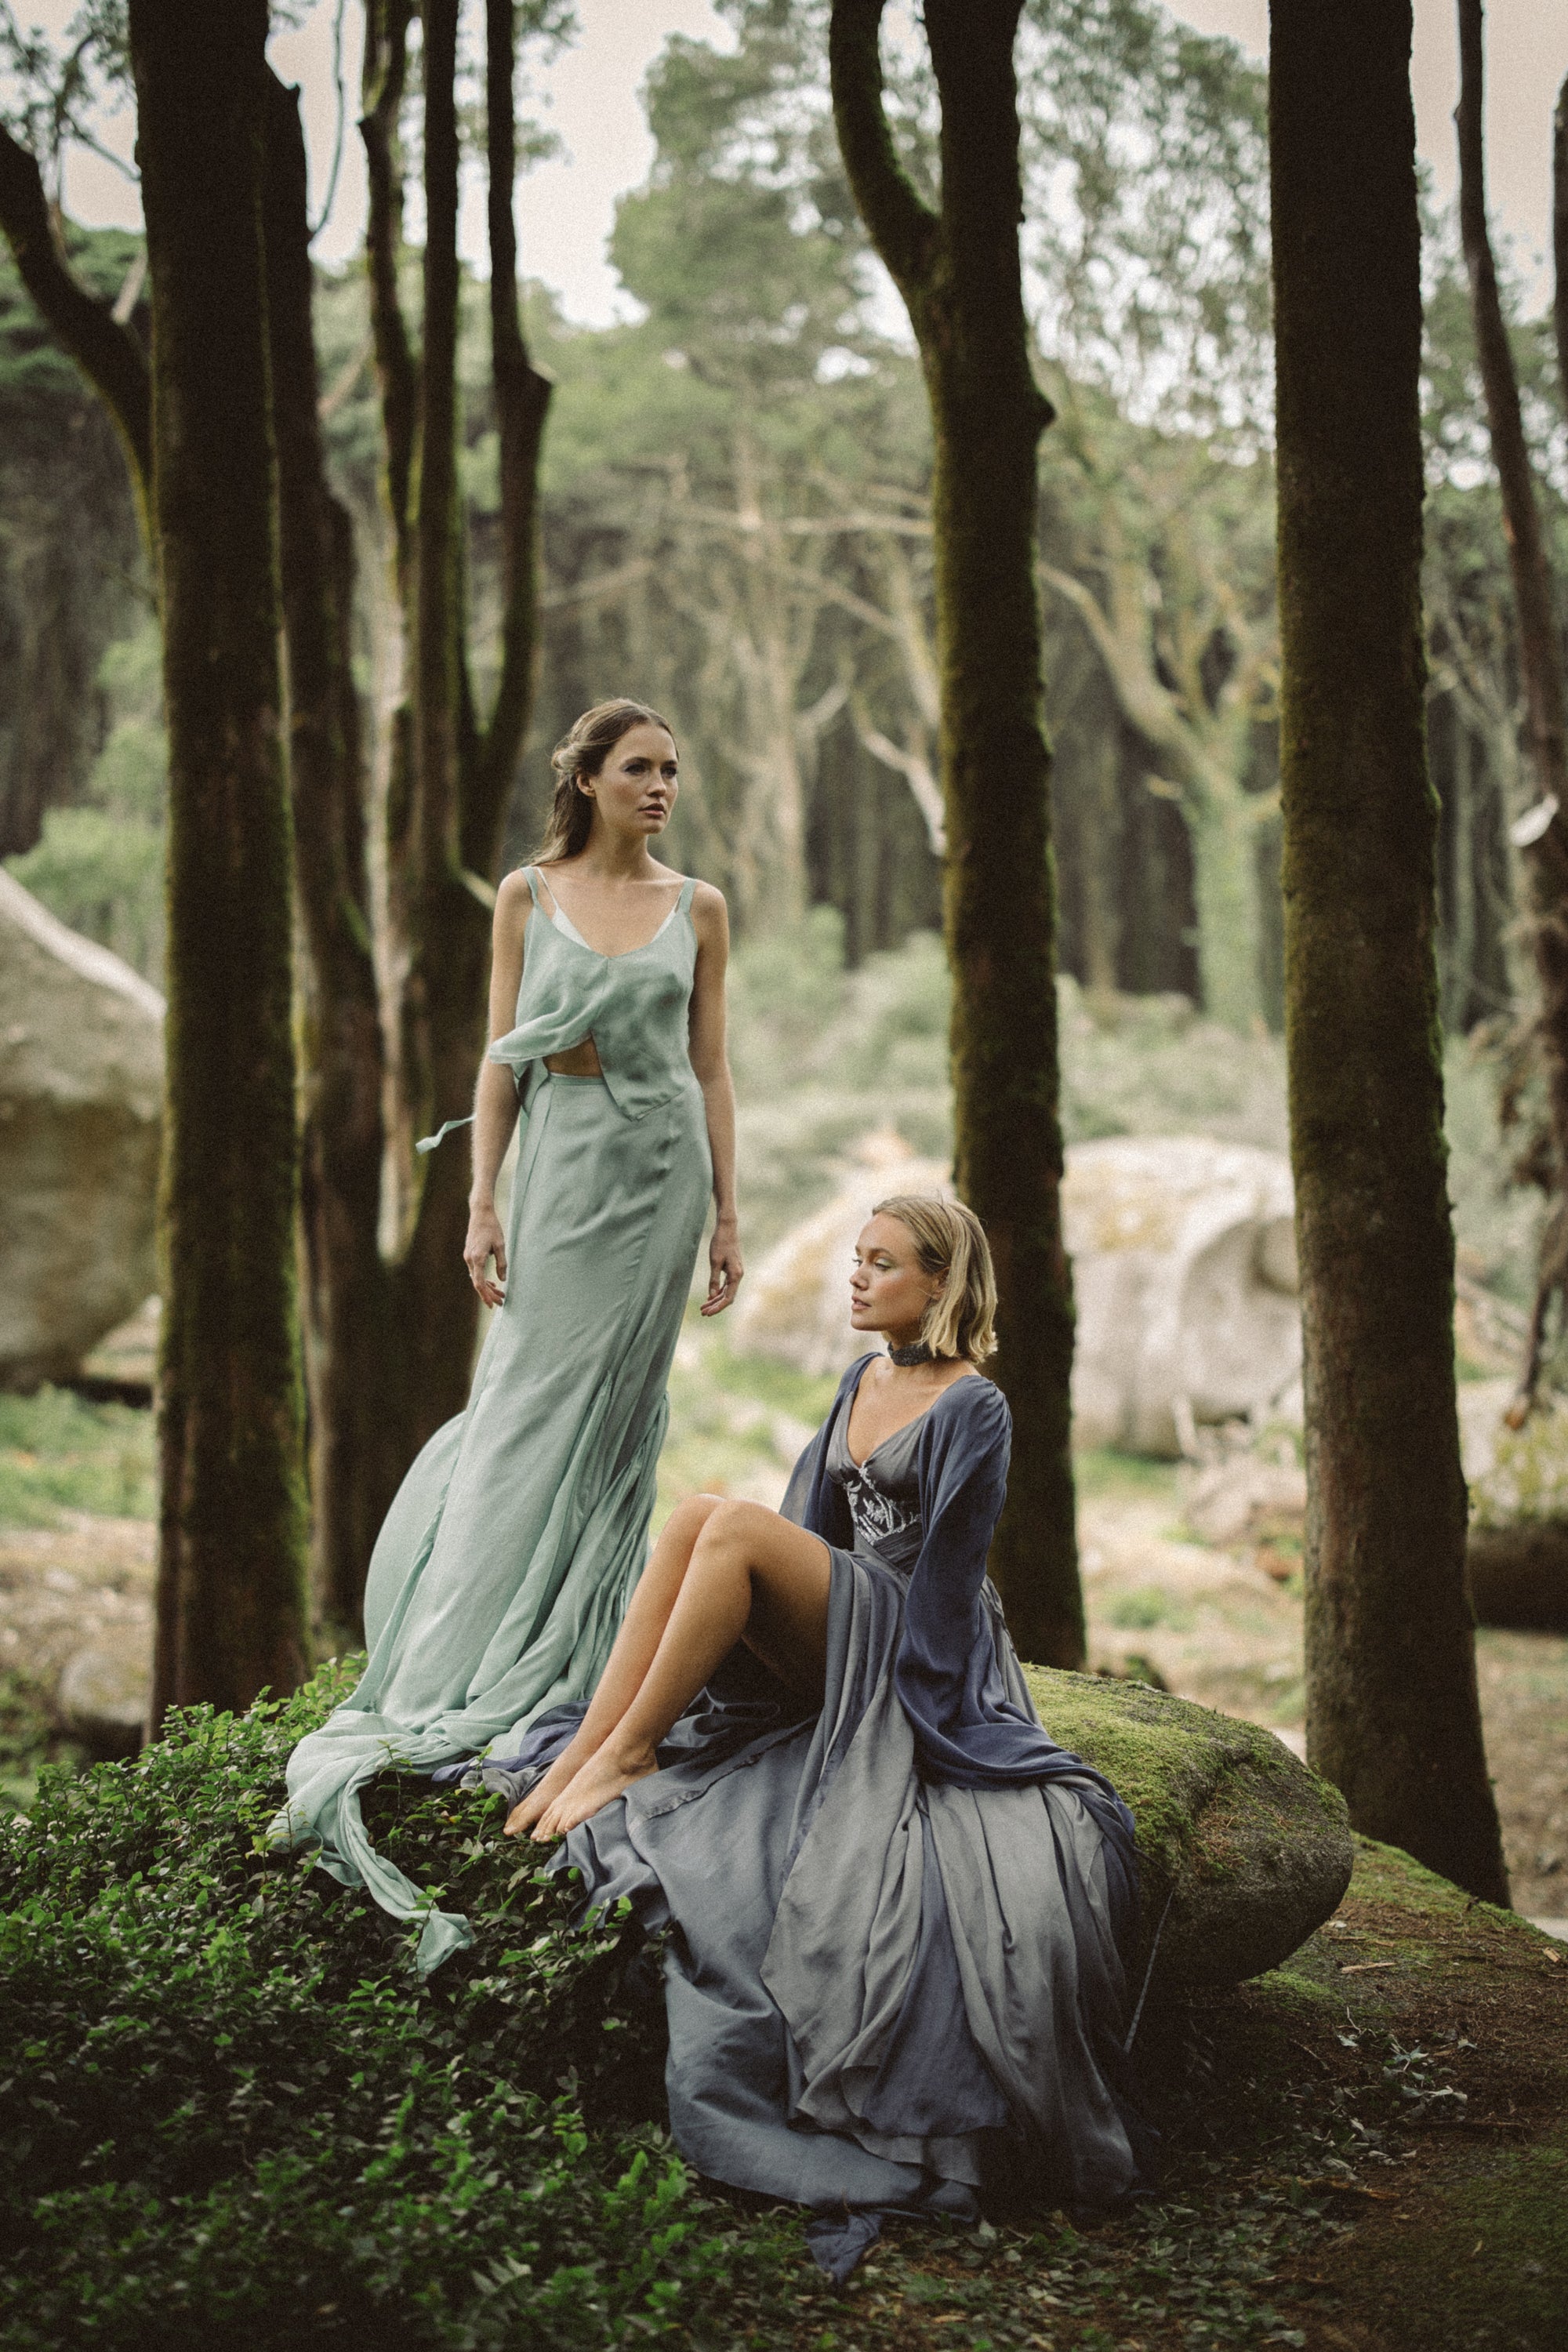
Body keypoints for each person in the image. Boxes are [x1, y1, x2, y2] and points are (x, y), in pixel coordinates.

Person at [477, 1197, 1146, 2279]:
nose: (857, 1278)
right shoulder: (863, 1381)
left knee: (726, 1524)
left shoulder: (978, 1408)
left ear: (939, 1285)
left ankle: (630, 1753)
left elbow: (944, 1582)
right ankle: (591, 1749)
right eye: (857, 1260)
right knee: (702, 1513)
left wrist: (924, 1721)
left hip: (919, 1642)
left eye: (882, 1265)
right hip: (842, 1618)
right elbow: (810, 1536)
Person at [271, 699, 742, 1969]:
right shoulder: (524, 895)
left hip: (663, 1183)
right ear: (585, 778)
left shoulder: (699, 906)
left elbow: (711, 1069)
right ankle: (452, 1653)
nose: (662, 785)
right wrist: (480, 1197)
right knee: (525, 1403)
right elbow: (499, 1061)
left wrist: (728, 1218)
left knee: (608, 1426)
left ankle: (569, 1654)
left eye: (672, 768)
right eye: (641, 767)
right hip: (562, 1174)